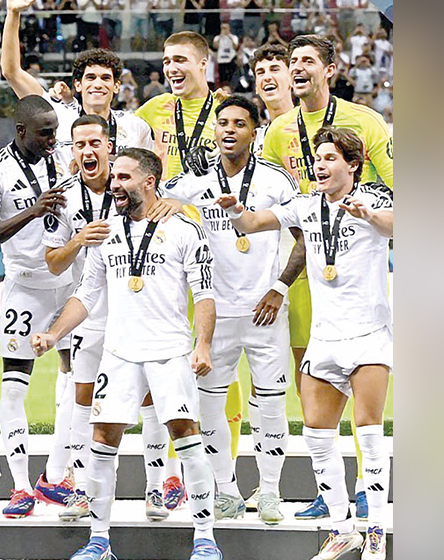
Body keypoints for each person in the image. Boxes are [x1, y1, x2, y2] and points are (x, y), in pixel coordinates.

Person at [33, 148, 223, 560]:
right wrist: (53, 333)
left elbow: (205, 294)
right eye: (114, 177)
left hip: (169, 351)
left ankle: (206, 538)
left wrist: (203, 343)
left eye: (123, 178)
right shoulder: (105, 233)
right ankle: (99, 540)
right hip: (118, 354)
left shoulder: (184, 229)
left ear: (149, 181)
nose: (114, 184)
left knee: (187, 438)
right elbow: (86, 295)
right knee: (102, 440)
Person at [223, 127, 392, 560]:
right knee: (318, 436)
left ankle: (375, 529)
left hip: (368, 336)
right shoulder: (304, 204)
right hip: (325, 340)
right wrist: (237, 210)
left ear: (353, 164)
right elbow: (254, 223)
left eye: (331, 158)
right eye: (318, 158)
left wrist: (369, 216)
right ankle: (342, 527)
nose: (320, 165)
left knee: (370, 433)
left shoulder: (374, 199)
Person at [259, 34, 393, 520]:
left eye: (307, 62)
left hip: (357, 251)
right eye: (291, 62)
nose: (297, 69)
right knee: (312, 381)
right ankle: (330, 492)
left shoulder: (365, 121)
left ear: (330, 69)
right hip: (308, 258)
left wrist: (361, 208)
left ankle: (366, 495)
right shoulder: (277, 131)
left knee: (367, 398)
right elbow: (274, 204)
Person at [159, 96, 301, 524]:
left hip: (265, 312)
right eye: (223, 123)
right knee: (210, 408)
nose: (229, 130)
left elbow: (306, 236)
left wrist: (279, 288)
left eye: (239, 123)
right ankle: (226, 491)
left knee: (272, 405)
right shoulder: (192, 183)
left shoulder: (275, 180)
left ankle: (271, 492)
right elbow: (153, 208)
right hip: (214, 316)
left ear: (254, 132)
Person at [0, 95, 75, 517]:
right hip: (25, 287)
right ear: (20, 131)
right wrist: (33, 212)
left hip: (72, 286)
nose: (54, 139)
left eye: (56, 130)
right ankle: (19, 486)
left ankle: (55, 475)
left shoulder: (68, 159)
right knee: (15, 384)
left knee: (79, 379)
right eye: (45, 133)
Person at [38, 115, 119, 522]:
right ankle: (80, 490)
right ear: (72, 151)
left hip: (135, 313)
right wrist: (77, 240)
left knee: (149, 401)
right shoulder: (63, 197)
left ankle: (160, 488)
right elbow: (53, 264)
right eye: (79, 145)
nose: (87, 151)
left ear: (109, 146)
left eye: (94, 143)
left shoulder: (129, 186)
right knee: (82, 399)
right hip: (89, 313)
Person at [2, 0, 153, 150]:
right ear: (78, 85)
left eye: (106, 78)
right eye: (90, 77)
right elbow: (11, 72)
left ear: (116, 86)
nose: (98, 84)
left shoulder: (135, 127)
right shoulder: (56, 115)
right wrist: (13, 13)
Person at [136, 31, 223, 180]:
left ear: (202, 64)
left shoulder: (224, 110)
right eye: (167, 62)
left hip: (209, 202)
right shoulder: (156, 106)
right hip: (163, 202)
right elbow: (116, 133)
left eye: (180, 60)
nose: (171, 68)